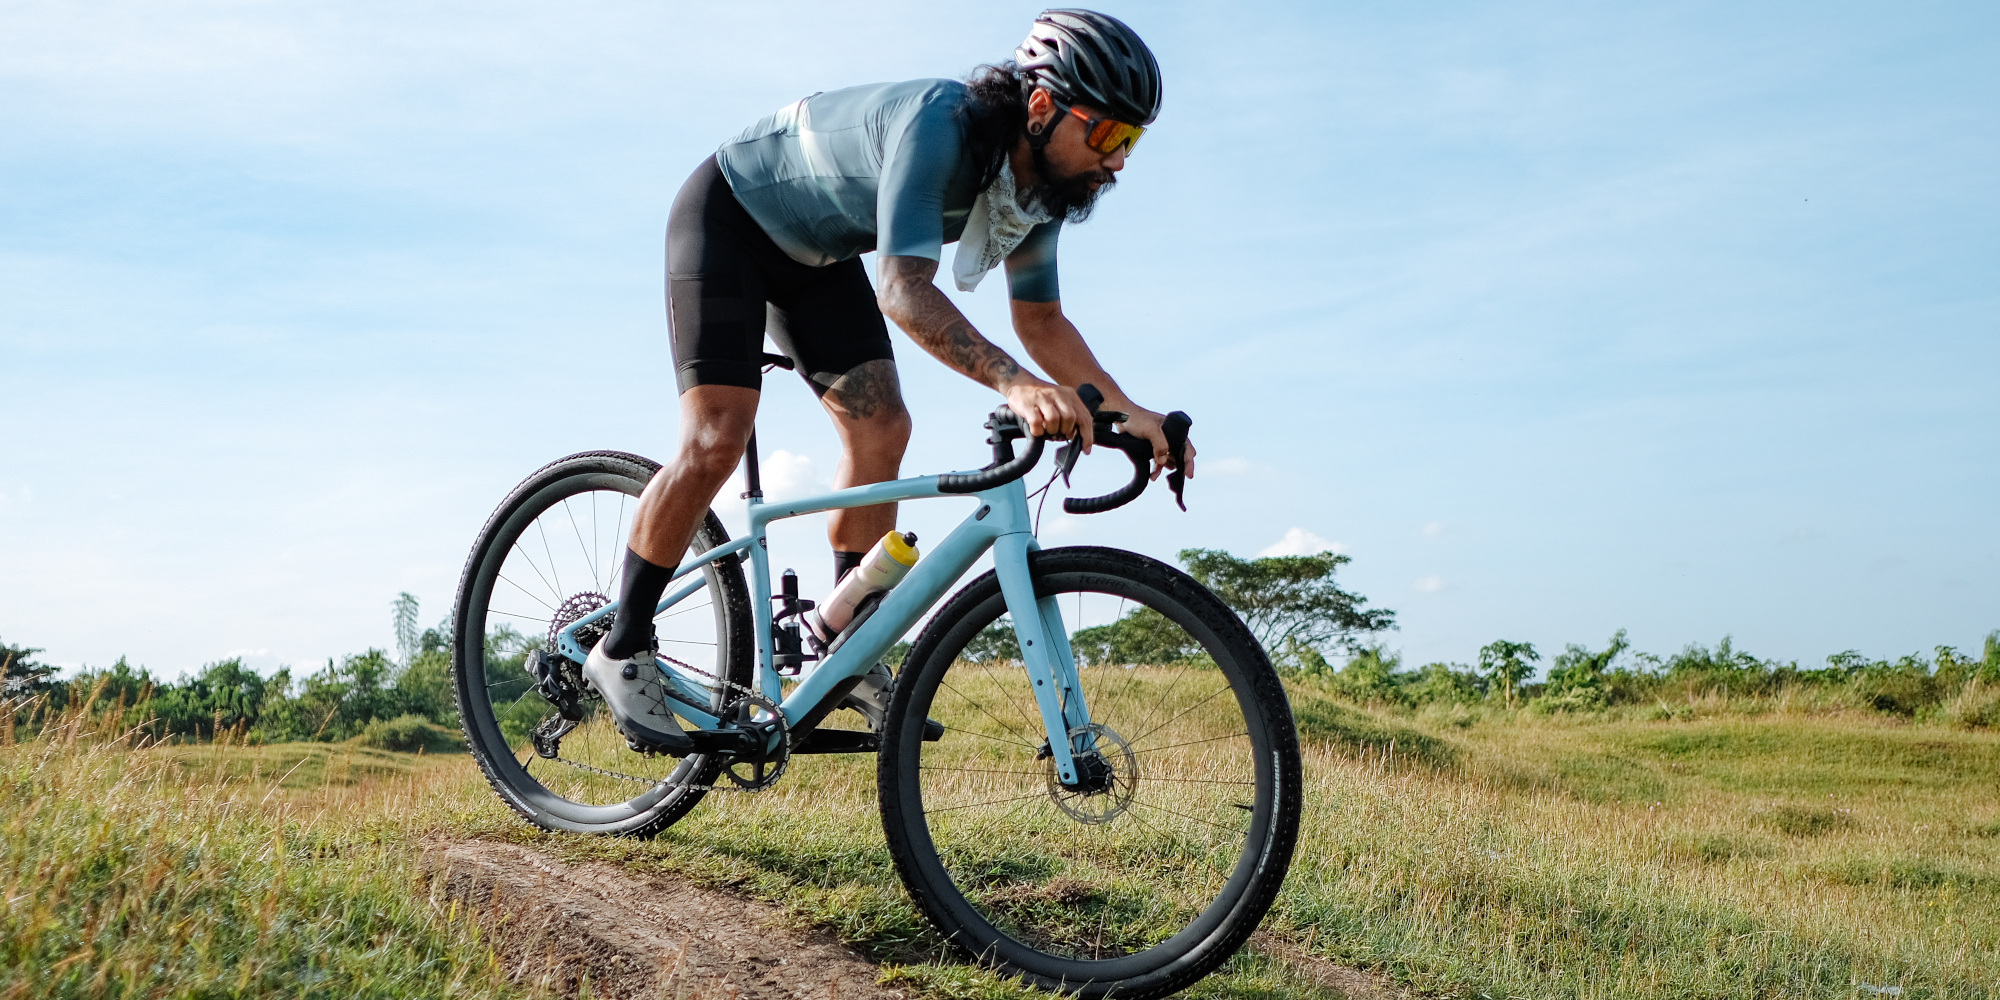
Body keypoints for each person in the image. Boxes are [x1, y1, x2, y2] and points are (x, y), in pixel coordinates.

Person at [583, 9, 1196, 752]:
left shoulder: (1037, 195)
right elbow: (903, 290)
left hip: (818, 257)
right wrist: (1015, 386)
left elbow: (1043, 323)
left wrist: (1133, 415)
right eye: (1106, 134)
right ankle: (620, 645)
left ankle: (847, 648)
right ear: (1041, 108)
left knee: (882, 427)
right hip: (730, 217)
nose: (1119, 160)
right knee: (718, 435)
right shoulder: (943, 125)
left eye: (1131, 141)